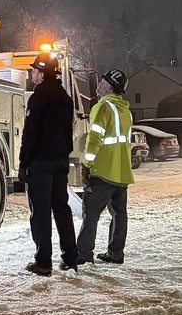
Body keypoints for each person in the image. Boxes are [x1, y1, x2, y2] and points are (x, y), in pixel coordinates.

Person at [18, 52, 79, 275]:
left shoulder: (38, 98)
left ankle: (43, 262)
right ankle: (70, 257)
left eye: (34, 70)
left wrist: (23, 163)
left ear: (42, 74)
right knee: (61, 209)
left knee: (41, 213)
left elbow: (31, 134)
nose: (31, 73)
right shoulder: (65, 99)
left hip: (41, 163)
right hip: (60, 162)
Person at [76, 68, 134, 265]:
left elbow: (94, 139)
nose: (99, 84)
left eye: (102, 82)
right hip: (122, 171)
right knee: (119, 214)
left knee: (91, 213)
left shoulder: (102, 107)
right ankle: (116, 253)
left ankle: (84, 255)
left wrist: (86, 163)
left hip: (103, 170)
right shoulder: (125, 110)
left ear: (109, 87)